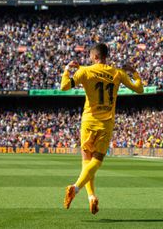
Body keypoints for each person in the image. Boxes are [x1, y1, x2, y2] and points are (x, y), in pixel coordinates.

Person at [60, 43, 144, 214]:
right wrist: (133, 72)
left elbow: (64, 86)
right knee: (96, 162)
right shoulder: (117, 73)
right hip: (106, 123)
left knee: (86, 160)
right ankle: (85, 193)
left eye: (90, 56)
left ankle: (81, 191)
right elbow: (140, 89)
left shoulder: (85, 71)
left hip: (89, 121)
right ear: (106, 56)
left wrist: (67, 69)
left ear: (95, 56)